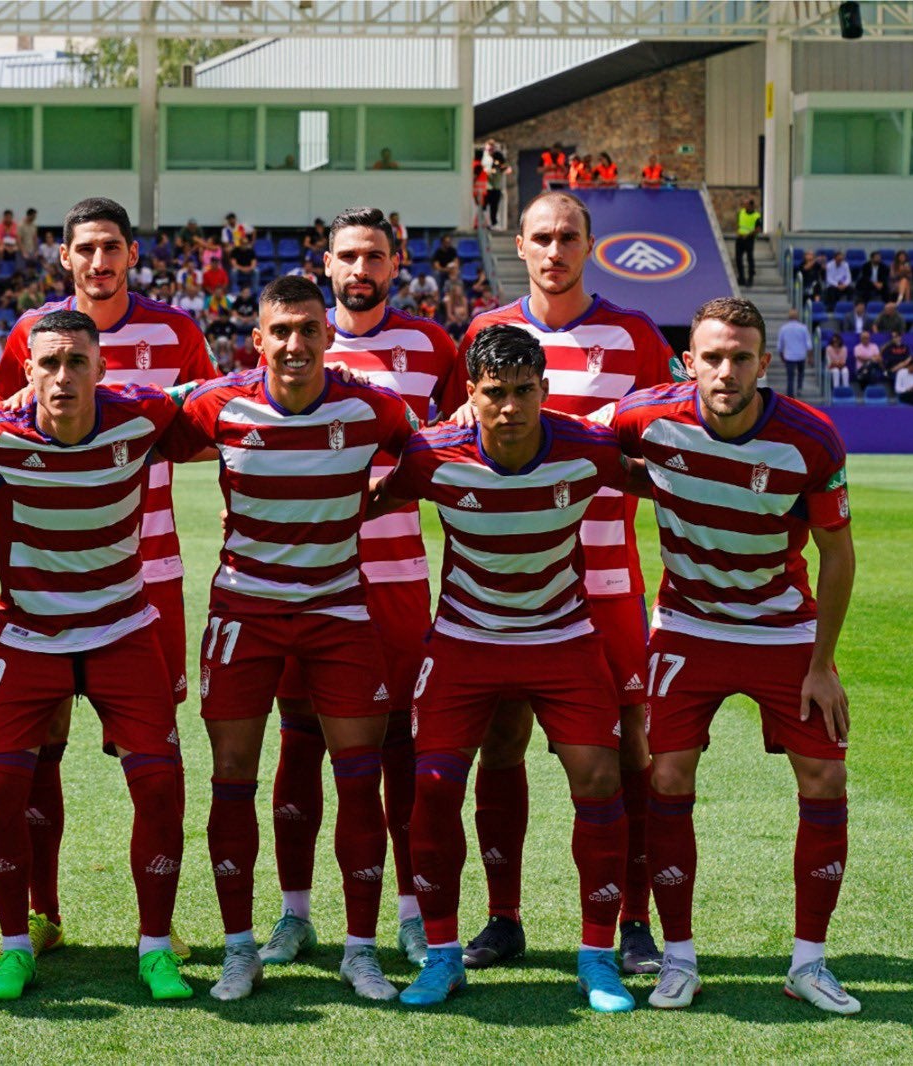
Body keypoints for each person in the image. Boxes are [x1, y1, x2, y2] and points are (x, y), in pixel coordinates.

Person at [156, 276, 418, 1003]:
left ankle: (360, 951)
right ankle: (240, 949)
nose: (295, 344)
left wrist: (380, 498)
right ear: (259, 339)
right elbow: (142, 426)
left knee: (359, 776)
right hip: (246, 609)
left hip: (339, 610)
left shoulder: (370, 406)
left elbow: (424, 454)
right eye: (281, 331)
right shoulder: (221, 403)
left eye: (308, 329)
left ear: (327, 335)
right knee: (232, 776)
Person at [0, 309, 193, 1002]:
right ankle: (16, 945)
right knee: (4, 789)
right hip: (29, 637)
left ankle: (157, 947)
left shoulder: (145, 413)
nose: (63, 375)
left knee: (161, 785)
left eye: (77, 361)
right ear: (27, 372)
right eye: (48, 363)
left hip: (122, 631)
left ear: (103, 369)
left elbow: (226, 404)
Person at [371, 324, 641, 1012]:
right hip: (465, 638)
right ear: (471, 394)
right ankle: (439, 956)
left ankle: (596, 956)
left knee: (600, 775)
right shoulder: (433, 453)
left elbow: (660, 475)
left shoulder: (587, 447)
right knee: (432, 785)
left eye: (525, 392)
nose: (511, 408)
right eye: (495, 393)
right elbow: (373, 497)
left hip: (562, 636)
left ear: (545, 391)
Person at [609, 296, 860, 1016]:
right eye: (712, 356)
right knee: (667, 772)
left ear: (763, 362)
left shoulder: (810, 440)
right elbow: (580, 441)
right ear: (689, 361)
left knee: (825, 775)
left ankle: (809, 962)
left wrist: (821, 664)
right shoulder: (647, 414)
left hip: (782, 629)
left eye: (740, 356)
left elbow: (837, 556)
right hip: (688, 625)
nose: (726, 370)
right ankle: (678, 958)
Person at [0, 198, 213, 960]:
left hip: (148, 570)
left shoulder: (176, 329)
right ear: (65, 258)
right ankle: (43, 912)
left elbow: (208, 416)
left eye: (112, 247)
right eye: (86, 249)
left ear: (131, 254)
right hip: (49, 575)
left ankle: (159, 921)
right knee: (42, 743)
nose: (99, 261)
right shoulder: (31, 333)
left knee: (146, 754)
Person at [458, 190, 675, 976]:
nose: (555, 250)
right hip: (511, 582)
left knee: (628, 751)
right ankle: (504, 916)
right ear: (519, 243)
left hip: (608, 580)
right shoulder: (485, 333)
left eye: (569, 237)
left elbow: (666, 438)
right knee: (502, 737)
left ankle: (634, 922)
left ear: (591, 245)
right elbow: (461, 439)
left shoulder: (636, 336)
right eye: (542, 237)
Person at [254, 208, 465, 974]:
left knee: (401, 748)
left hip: (397, 578)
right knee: (300, 739)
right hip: (304, 579)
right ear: (327, 261)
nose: (360, 269)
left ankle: (411, 913)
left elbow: (449, 440)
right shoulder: (298, 336)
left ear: (396, 261)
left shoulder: (435, 346)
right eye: (347, 255)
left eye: (374, 254)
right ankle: (294, 913)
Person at [777, 308, 811, 395]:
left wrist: (781, 356)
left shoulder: (784, 328)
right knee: (800, 373)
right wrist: (810, 356)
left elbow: (780, 345)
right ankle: (799, 388)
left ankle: (790, 394)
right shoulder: (803, 328)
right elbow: (809, 344)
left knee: (790, 377)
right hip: (801, 355)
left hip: (789, 356)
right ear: (798, 317)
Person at [735, 196, 762, 288]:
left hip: (749, 239)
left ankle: (750, 278)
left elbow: (758, 229)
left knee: (750, 259)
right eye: (744, 204)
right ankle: (741, 278)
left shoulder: (756, 216)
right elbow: (739, 223)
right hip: (740, 238)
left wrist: (749, 234)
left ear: (751, 206)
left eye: (746, 204)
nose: (744, 206)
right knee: (738, 258)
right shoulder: (741, 212)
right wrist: (738, 231)